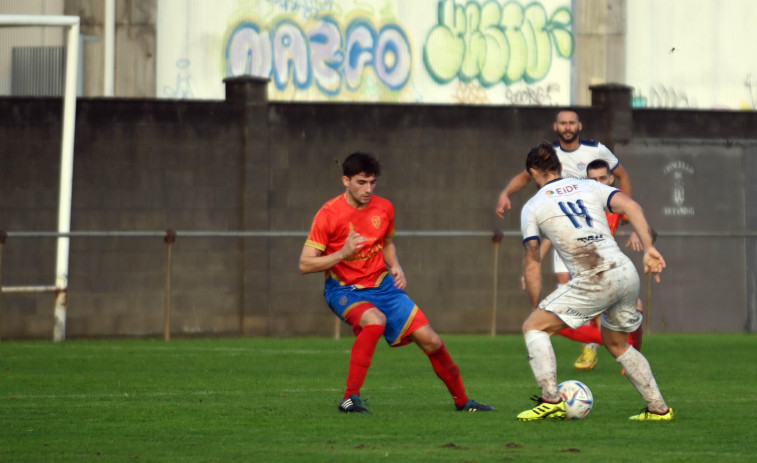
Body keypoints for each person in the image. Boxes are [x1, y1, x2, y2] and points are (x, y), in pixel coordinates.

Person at [299, 151, 494, 414]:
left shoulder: (384, 207)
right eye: (361, 182)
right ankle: (349, 398)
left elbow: (386, 243)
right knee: (375, 320)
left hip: (382, 286)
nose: (368, 189)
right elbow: (305, 264)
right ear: (346, 180)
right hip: (344, 290)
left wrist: (396, 265)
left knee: (432, 341)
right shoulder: (328, 214)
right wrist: (342, 254)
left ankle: (463, 402)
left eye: (372, 182)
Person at [516, 142, 672, 421]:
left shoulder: (533, 206)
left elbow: (532, 260)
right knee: (617, 344)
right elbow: (632, 206)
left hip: (595, 276)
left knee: (533, 327)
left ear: (532, 173)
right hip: (625, 272)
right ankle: (659, 409)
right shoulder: (588, 187)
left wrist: (534, 306)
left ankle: (551, 400)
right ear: (558, 167)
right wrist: (648, 248)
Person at [495, 108, 635, 371]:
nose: (568, 127)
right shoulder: (549, 156)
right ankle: (592, 344)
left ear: (579, 125)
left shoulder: (596, 150)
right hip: (562, 229)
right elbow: (526, 175)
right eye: (563, 123)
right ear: (555, 126)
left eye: (572, 122)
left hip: (592, 226)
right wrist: (506, 193)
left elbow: (623, 177)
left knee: (598, 289)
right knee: (567, 285)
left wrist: (624, 212)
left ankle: (606, 343)